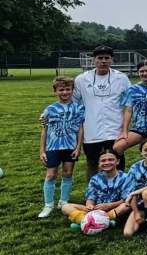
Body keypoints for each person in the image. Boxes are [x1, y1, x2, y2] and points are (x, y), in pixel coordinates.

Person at [72, 45, 130, 178]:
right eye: (100, 58)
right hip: (91, 130)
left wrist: (125, 130)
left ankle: (119, 188)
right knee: (93, 163)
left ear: (112, 60)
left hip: (115, 130)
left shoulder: (122, 78)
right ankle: (93, 189)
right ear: (93, 60)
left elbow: (129, 105)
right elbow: (72, 103)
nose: (103, 61)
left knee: (117, 163)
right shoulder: (81, 79)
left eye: (107, 58)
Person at [38, 76, 85, 218]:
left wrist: (78, 147)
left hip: (70, 146)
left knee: (68, 173)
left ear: (72, 90)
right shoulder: (50, 109)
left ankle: (63, 201)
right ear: (55, 92)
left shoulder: (78, 108)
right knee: (51, 175)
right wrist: (42, 150)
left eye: (67, 89)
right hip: (53, 147)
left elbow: (80, 129)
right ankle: (48, 205)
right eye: (61, 90)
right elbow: (44, 130)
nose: (64, 92)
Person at [62, 148, 132, 229]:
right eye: (103, 161)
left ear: (117, 161)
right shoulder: (95, 179)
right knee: (65, 207)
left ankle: (88, 222)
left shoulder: (126, 178)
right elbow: (91, 197)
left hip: (115, 208)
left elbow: (126, 199)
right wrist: (89, 205)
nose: (107, 163)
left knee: (126, 206)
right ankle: (96, 222)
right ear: (99, 163)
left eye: (111, 160)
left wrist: (109, 205)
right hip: (96, 209)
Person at [116, 60, 147, 156]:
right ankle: (119, 165)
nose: (145, 73)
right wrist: (125, 131)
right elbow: (128, 110)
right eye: (142, 71)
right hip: (139, 129)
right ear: (138, 72)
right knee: (118, 146)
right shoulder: (132, 90)